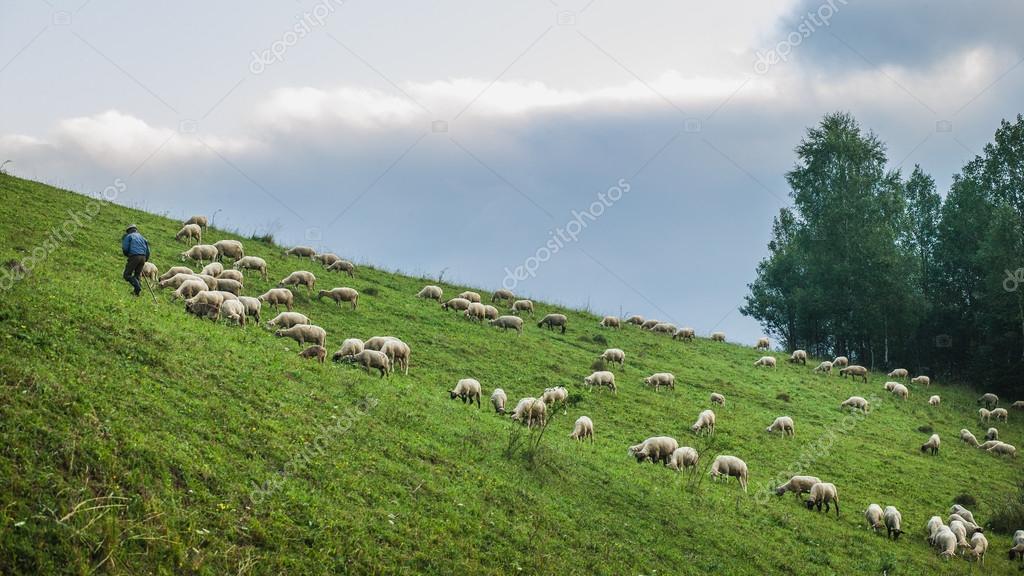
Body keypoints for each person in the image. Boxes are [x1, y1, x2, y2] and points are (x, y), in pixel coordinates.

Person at [121, 224, 150, 296]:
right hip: (143, 257)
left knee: (127, 275)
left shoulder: (129, 236)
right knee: (137, 275)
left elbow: (125, 248)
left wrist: (127, 254)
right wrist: (145, 259)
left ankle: (137, 287)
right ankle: (136, 294)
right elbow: (148, 250)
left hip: (134, 256)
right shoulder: (142, 238)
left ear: (129, 231)